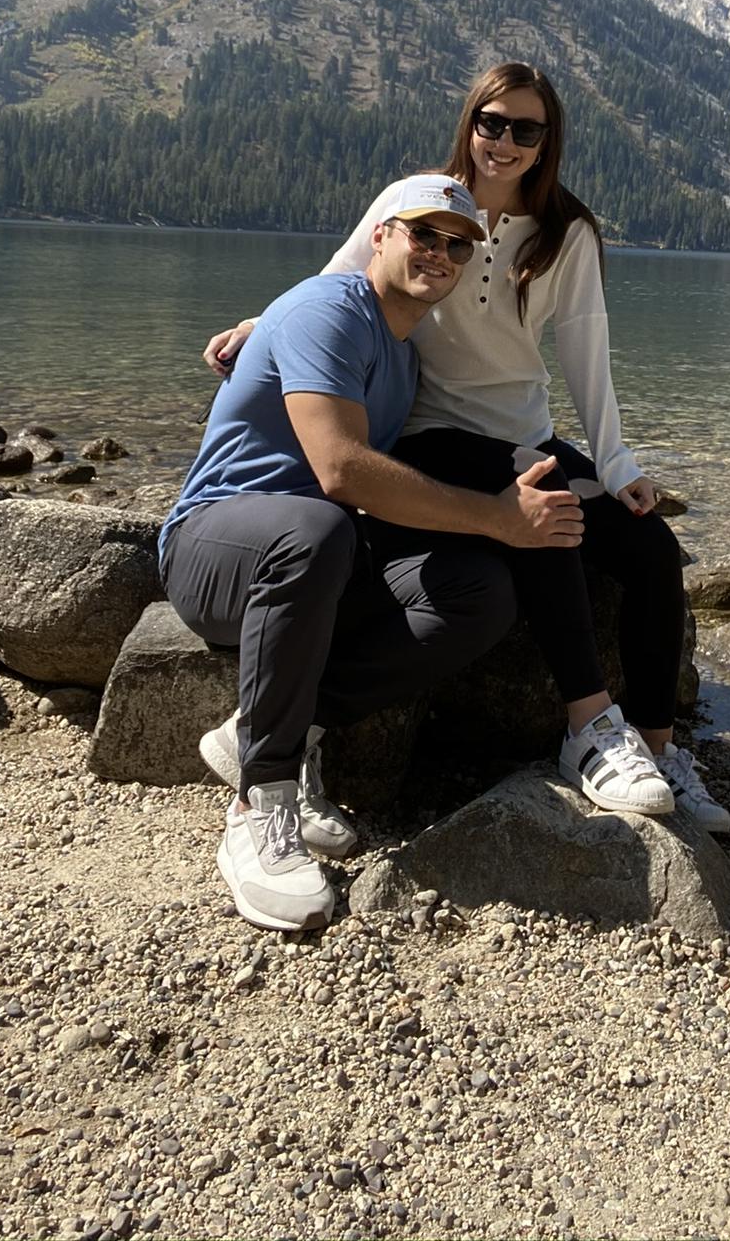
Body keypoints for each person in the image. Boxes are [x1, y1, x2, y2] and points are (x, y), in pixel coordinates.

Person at [205, 64, 729, 834]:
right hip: (431, 436)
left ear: (549, 142)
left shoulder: (567, 234)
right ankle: (589, 728)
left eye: (527, 129)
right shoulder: (416, 203)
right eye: (493, 122)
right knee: (539, 505)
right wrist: (262, 327)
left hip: (522, 432)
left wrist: (617, 467)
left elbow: (588, 353)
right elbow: (338, 283)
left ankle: (655, 747)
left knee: (649, 547)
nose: (506, 142)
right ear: (469, 122)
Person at [163, 171, 585, 933]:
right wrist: (495, 514)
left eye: (458, 246)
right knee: (318, 527)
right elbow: (341, 469)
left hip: (315, 559)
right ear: (380, 237)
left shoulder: (405, 356)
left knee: (477, 590)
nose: (441, 254)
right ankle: (260, 806)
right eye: (424, 234)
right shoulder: (329, 311)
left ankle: (273, 731)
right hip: (215, 546)